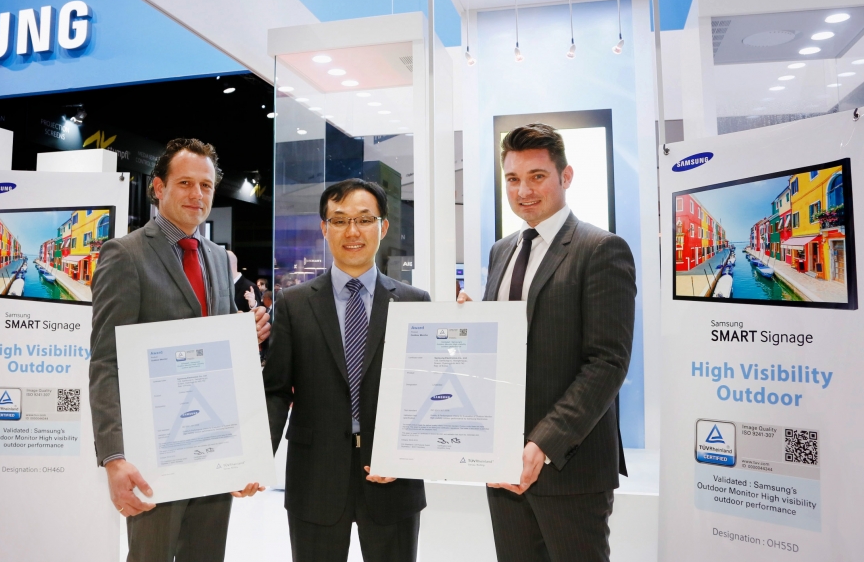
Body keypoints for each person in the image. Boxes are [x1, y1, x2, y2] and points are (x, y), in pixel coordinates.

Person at [459, 123, 636, 562]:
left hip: (568, 466)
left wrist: (542, 444)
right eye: (513, 179)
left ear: (566, 176)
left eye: (537, 176)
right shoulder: (502, 251)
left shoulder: (601, 249)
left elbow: (607, 362)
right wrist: (471, 326)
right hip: (503, 462)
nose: (523, 191)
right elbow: (511, 344)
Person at [90, 138, 271, 562]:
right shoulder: (125, 255)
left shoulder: (218, 258)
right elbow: (105, 362)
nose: (197, 194)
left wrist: (245, 340)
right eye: (185, 183)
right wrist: (114, 458)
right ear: (159, 187)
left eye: (206, 185)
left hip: (213, 445)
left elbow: (219, 354)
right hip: (155, 452)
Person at [263, 179, 429, 562]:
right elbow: (276, 391)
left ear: (383, 227)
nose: (352, 231)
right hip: (314, 476)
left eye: (364, 219)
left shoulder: (414, 303)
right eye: (339, 221)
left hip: (392, 479)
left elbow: (423, 392)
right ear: (325, 228)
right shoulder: (294, 304)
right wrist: (254, 460)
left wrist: (405, 455)